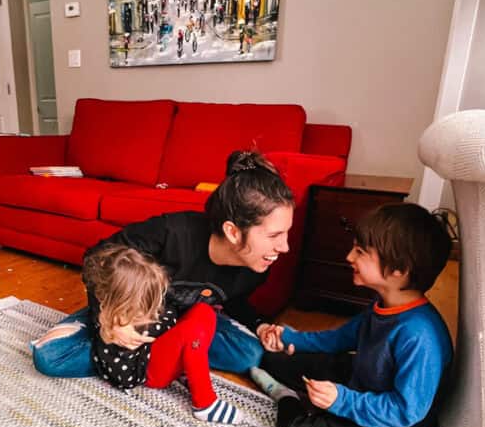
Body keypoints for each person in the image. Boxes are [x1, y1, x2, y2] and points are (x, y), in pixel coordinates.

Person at [32, 149, 295, 380]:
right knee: (51, 358)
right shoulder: (171, 232)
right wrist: (110, 320)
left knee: (249, 356)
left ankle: (154, 355)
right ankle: (163, 356)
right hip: (134, 312)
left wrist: (260, 325)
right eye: (274, 236)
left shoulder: (258, 265)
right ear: (233, 232)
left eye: (286, 233)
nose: (284, 247)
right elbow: (96, 260)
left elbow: (232, 296)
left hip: (188, 320)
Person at [250, 203, 453, 427]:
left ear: (399, 270)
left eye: (360, 251)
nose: (349, 257)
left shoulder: (420, 336)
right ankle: (309, 395)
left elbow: (406, 411)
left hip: (381, 423)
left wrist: (341, 400)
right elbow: (339, 339)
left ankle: (286, 397)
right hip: (362, 378)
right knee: (273, 360)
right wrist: (291, 338)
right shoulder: (383, 304)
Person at [82, 244, 240, 423]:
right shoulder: (118, 322)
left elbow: (167, 318)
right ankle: (205, 403)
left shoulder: (130, 309)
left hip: (155, 351)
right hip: (148, 372)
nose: (154, 307)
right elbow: (123, 378)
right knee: (191, 333)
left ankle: (188, 368)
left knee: (204, 311)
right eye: (147, 303)